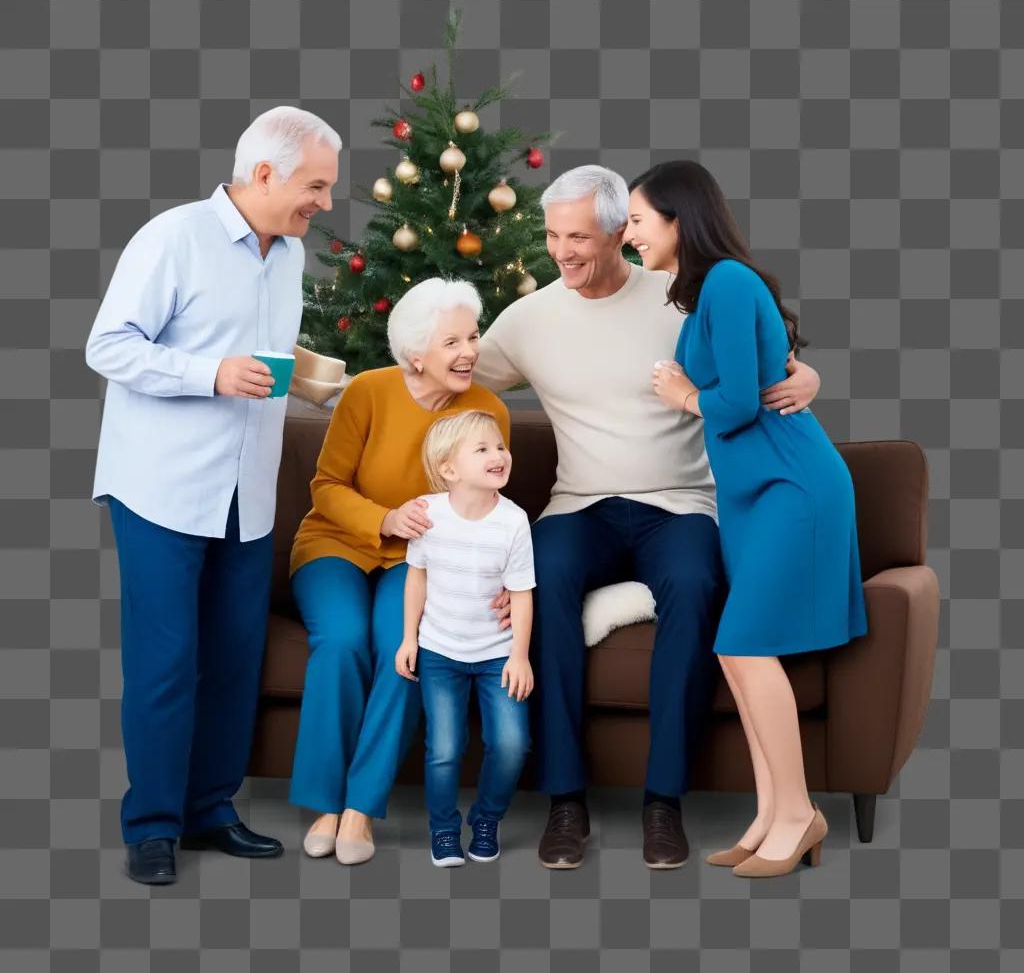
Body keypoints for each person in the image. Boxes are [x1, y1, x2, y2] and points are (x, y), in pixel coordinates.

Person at [472, 165, 824, 869]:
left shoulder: (683, 295)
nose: (562, 251)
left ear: (620, 232)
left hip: (681, 503)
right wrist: (334, 386)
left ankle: (664, 803)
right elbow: (447, 372)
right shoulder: (530, 318)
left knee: (697, 587)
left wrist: (806, 375)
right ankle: (565, 802)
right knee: (544, 581)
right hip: (581, 504)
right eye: (551, 236)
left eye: (578, 235)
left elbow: (764, 359)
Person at [85, 106, 341, 885]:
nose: (325, 205)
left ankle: (210, 809)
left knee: (234, 657)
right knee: (166, 662)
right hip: (162, 489)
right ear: (264, 173)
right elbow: (109, 344)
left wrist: (316, 375)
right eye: (316, 186)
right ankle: (153, 824)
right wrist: (212, 374)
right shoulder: (172, 238)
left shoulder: (288, 253)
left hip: (246, 491)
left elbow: (258, 340)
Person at [629, 159, 868, 877]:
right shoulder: (710, 295)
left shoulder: (729, 283)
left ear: (679, 219)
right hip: (755, 493)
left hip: (790, 486)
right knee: (737, 649)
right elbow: (770, 370)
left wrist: (679, 395)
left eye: (639, 219)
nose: (630, 232)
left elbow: (734, 403)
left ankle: (799, 813)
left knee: (743, 642)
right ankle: (770, 814)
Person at [289, 279, 511, 865]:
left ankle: (361, 807)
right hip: (337, 542)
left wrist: (505, 582)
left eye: (473, 336)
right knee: (339, 642)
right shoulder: (368, 392)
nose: (470, 351)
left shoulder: (487, 411)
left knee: (404, 651)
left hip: (419, 565)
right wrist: (384, 518)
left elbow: (490, 508)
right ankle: (324, 805)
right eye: (452, 341)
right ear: (417, 354)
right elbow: (326, 486)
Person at [395, 410, 535, 867]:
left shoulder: (514, 522)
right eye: (483, 449)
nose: (498, 455)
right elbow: (416, 578)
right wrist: (408, 639)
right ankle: (443, 830)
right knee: (444, 749)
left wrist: (520, 656)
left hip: (497, 655)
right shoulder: (429, 514)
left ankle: (488, 819)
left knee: (512, 744)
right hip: (440, 652)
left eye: (500, 446)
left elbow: (522, 594)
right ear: (449, 469)